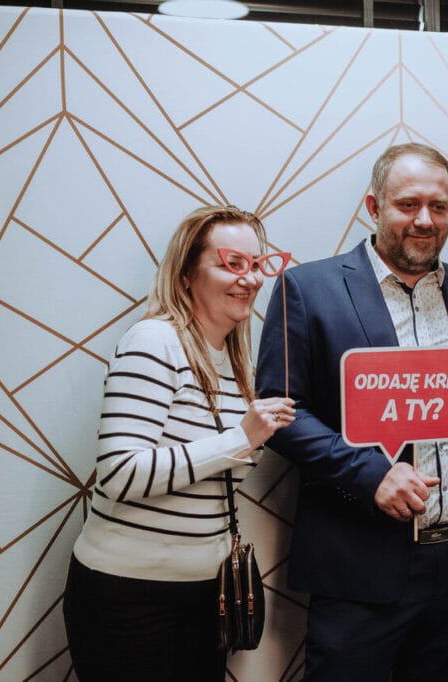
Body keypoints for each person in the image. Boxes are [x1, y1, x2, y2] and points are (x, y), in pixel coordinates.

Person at [255, 142, 448, 681]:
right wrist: (372, 475)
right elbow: (280, 415)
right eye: (408, 204)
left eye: (438, 206)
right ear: (374, 206)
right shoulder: (306, 289)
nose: (425, 220)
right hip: (358, 564)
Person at [62, 205, 296, 681]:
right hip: (129, 594)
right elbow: (119, 472)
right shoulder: (154, 342)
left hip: (206, 593)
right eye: (232, 263)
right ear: (187, 273)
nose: (251, 278)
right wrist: (240, 439)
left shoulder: (237, 365)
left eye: (257, 264)